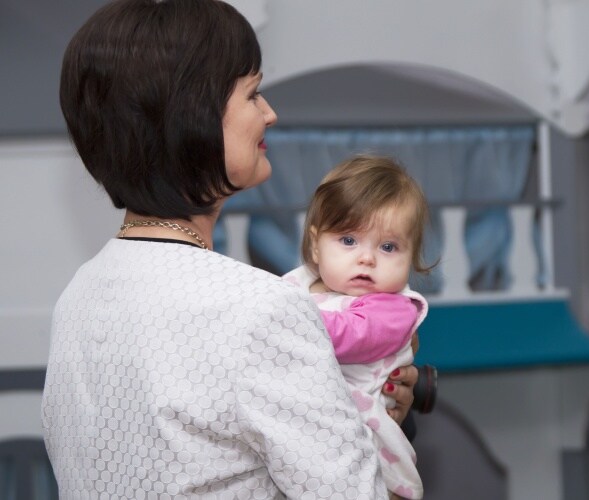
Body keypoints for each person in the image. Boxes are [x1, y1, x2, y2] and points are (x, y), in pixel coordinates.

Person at [40, 1, 418, 498]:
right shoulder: (262, 309)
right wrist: (383, 435)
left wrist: (361, 415)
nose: (270, 114)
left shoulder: (79, 295)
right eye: (253, 94)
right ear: (192, 117)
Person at [283, 155, 432, 499]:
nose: (367, 258)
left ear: (411, 258)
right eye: (348, 240)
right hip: (309, 440)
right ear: (316, 246)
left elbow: (348, 335)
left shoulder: (394, 309)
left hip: (368, 449)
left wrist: (279, 319)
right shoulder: (296, 285)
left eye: (388, 247)